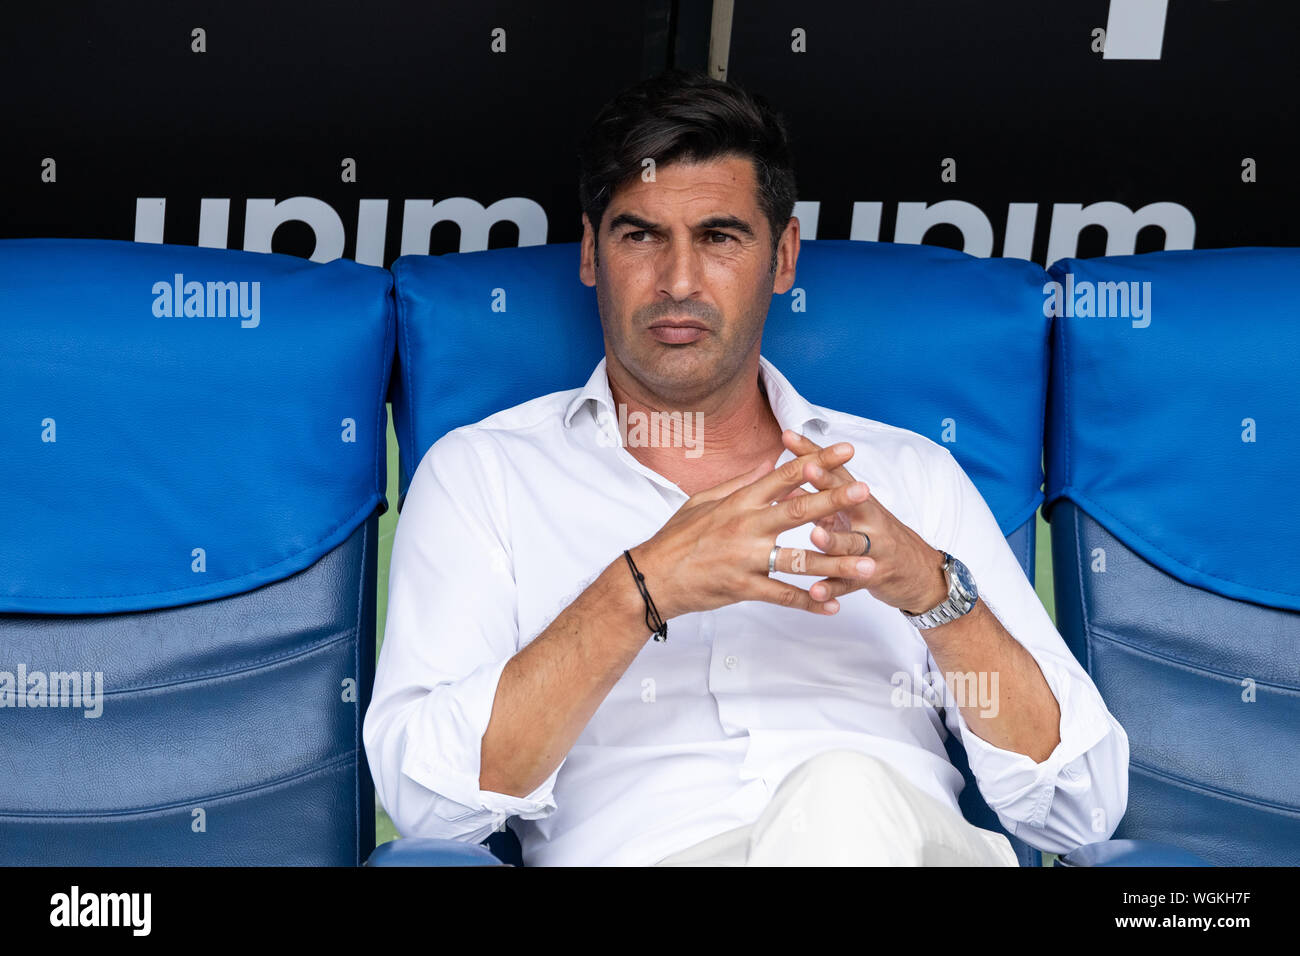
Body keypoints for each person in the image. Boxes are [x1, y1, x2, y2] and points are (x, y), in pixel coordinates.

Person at [363, 68, 1129, 866]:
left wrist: (935, 594)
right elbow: (429, 807)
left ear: (783, 255)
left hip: (898, 846)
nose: (679, 282)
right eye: (639, 236)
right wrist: (639, 590)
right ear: (591, 254)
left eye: (720, 237)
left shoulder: (906, 475)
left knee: (843, 791)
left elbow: (1080, 812)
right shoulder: (485, 475)